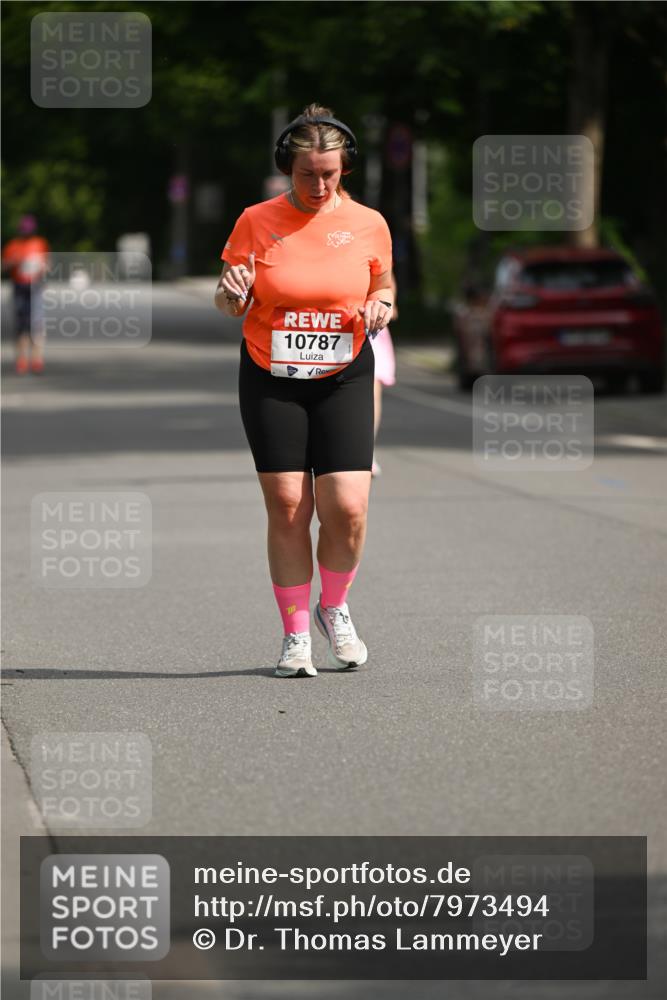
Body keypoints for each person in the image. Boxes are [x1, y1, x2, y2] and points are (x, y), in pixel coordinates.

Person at [215, 103, 394, 678]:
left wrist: (382, 304)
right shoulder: (254, 221)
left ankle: (333, 607)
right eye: (306, 174)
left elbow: (384, 284)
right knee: (290, 507)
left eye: (330, 174)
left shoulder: (370, 223)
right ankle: (296, 638)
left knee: (348, 508)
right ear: (286, 169)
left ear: (345, 169)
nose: (318, 185)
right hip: (272, 374)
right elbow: (227, 300)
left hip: (344, 373)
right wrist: (232, 292)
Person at [1, 215, 50, 374]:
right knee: (21, 325)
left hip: (35, 286)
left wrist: (43, 268)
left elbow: (47, 264)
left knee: (37, 325)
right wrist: (14, 262)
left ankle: (37, 360)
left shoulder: (39, 243)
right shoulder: (13, 245)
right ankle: (21, 360)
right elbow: (4, 266)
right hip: (19, 286)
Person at [370, 273, 398, 476]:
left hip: (369, 329)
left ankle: (366, 450)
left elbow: (386, 281)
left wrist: (387, 305)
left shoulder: (373, 247)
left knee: (372, 389)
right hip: (334, 325)